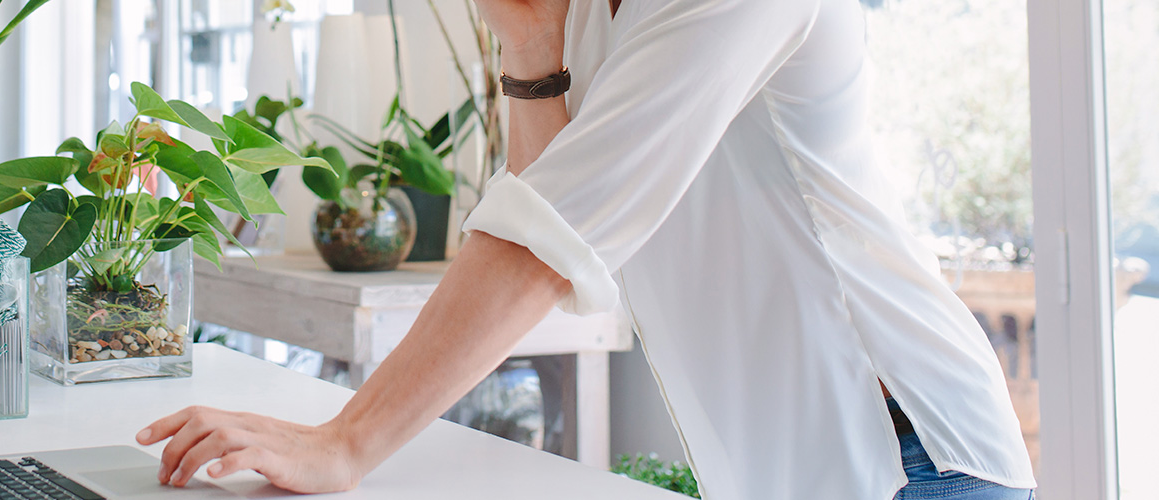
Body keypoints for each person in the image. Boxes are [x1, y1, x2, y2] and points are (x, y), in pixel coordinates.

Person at [134, 0, 1039, 498]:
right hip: (794, 464)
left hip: (917, 461)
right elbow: (563, 230)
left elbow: (549, 241)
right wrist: (534, 43)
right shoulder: (603, 13)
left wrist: (347, 442)